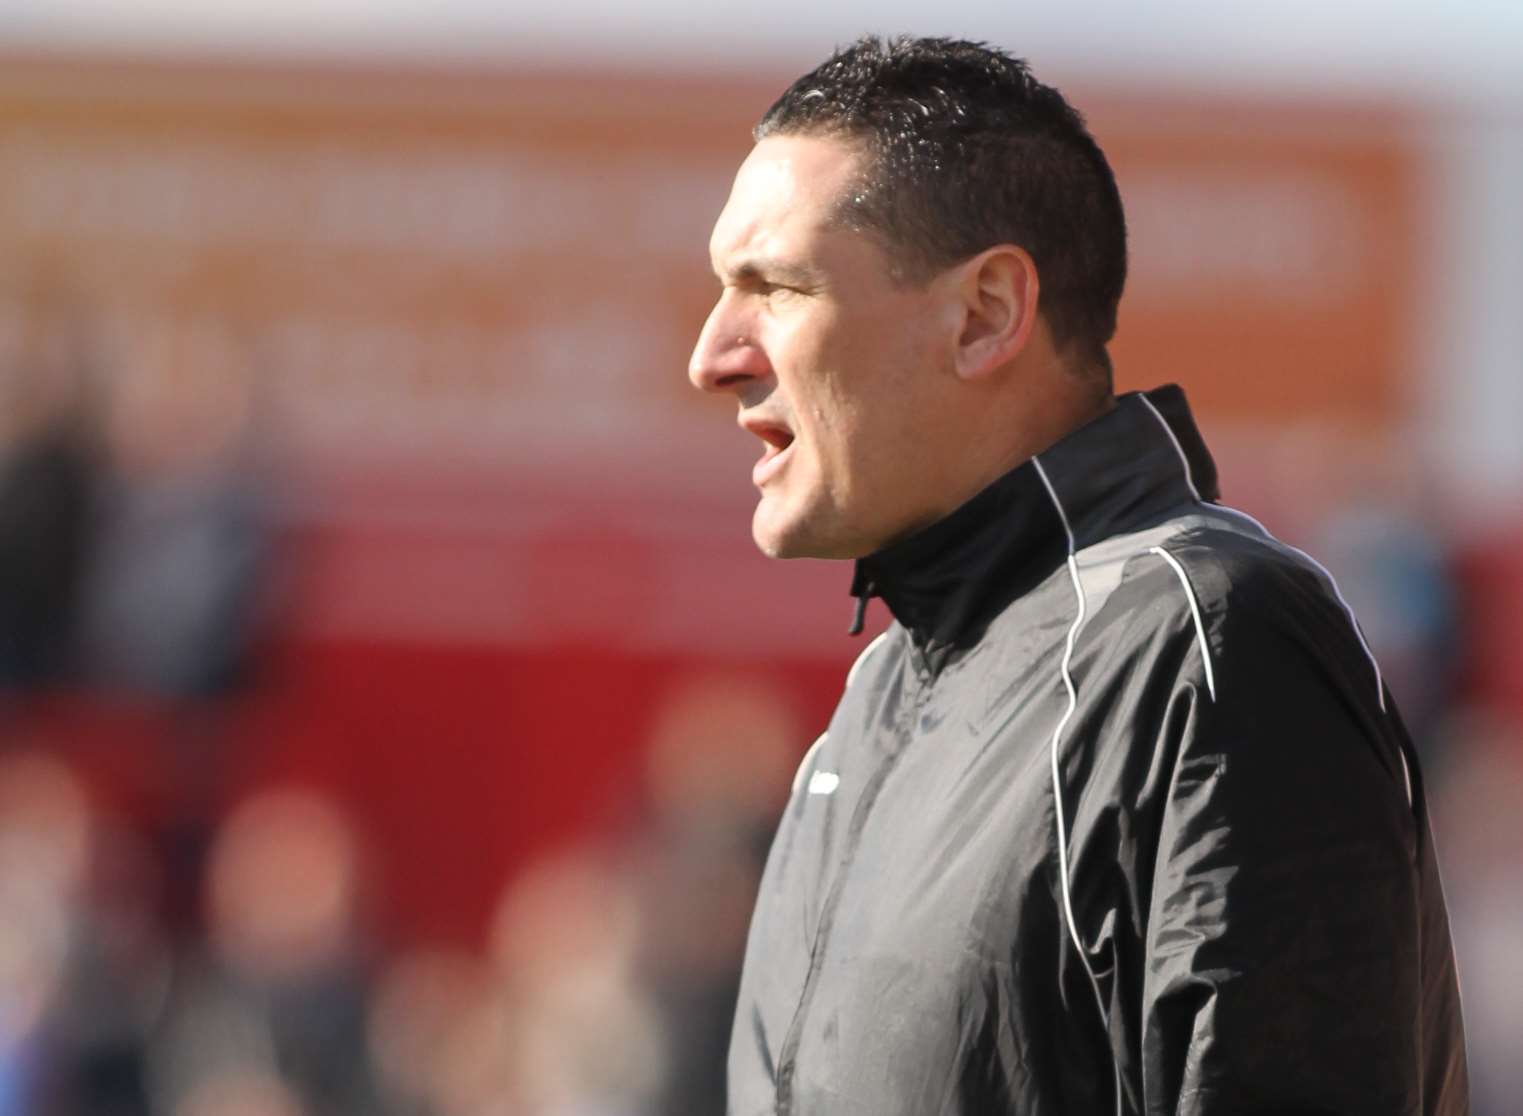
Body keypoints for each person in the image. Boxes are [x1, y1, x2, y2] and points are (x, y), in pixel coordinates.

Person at [686, 35, 1468, 1116]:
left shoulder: (1201, 642)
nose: (712, 353)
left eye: (774, 285)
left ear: (985, 314)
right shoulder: (872, 707)